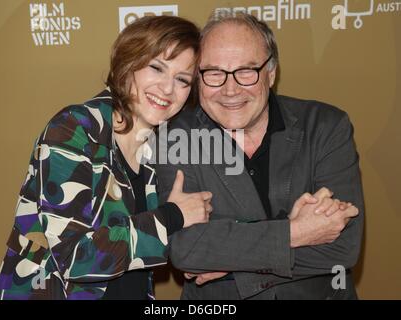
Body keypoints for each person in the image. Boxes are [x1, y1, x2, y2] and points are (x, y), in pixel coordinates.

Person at [0, 16, 213, 300]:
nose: (168, 89)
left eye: (182, 80)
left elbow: (169, 230)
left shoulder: (160, 144)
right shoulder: (74, 129)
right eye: (157, 68)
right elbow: (73, 257)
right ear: (128, 64)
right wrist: (172, 217)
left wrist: (207, 257)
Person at [155, 13, 364, 300]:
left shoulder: (325, 127)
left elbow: (343, 248)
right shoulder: (174, 137)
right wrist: (296, 231)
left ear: (271, 72)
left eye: (247, 71)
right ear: (198, 78)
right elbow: (186, 250)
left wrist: (227, 262)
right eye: (214, 73)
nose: (231, 89)